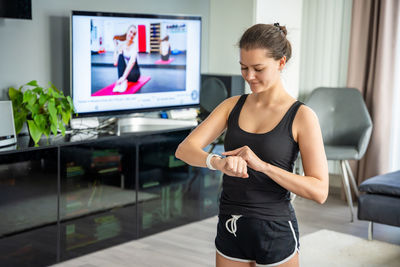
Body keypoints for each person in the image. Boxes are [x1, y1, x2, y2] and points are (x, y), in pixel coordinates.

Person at [175, 23, 328, 267]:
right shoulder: (232, 106)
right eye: (243, 68)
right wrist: (218, 163)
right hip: (230, 223)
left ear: (281, 63)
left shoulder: (301, 116)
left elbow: (319, 191)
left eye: (258, 68)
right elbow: (184, 149)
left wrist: (263, 166)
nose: (249, 76)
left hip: (275, 228)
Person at [113, 25, 141, 93]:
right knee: (120, 55)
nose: (131, 35)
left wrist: (123, 77)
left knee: (132, 61)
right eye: (131, 32)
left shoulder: (134, 46)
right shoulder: (122, 46)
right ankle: (122, 82)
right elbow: (115, 63)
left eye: (134, 34)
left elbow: (132, 62)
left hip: (134, 74)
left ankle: (122, 81)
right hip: (126, 74)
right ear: (127, 32)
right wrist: (116, 48)